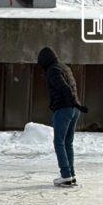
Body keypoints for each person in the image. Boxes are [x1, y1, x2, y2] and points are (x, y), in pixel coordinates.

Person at [38, 47, 89, 188]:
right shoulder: (64, 67)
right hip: (73, 110)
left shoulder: (53, 70)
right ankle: (71, 175)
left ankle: (66, 176)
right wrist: (77, 104)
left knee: (59, 143)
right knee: (68, 143)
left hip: (64, 109)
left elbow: (64, 88)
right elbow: (72, 87)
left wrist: (73, 102)